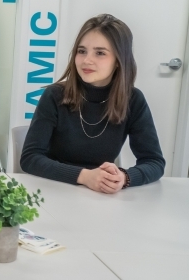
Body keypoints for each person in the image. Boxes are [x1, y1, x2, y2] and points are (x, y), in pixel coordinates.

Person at [20, 14, 165, 193]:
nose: (87, 60)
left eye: (100, 53)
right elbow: (30, 158)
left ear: (119, 61)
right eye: (81, 51)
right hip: (53, 188)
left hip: (101, 195)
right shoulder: (55, 95)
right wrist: (85, 176)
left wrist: (125, 178)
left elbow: (154, 161)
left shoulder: (133, 99)